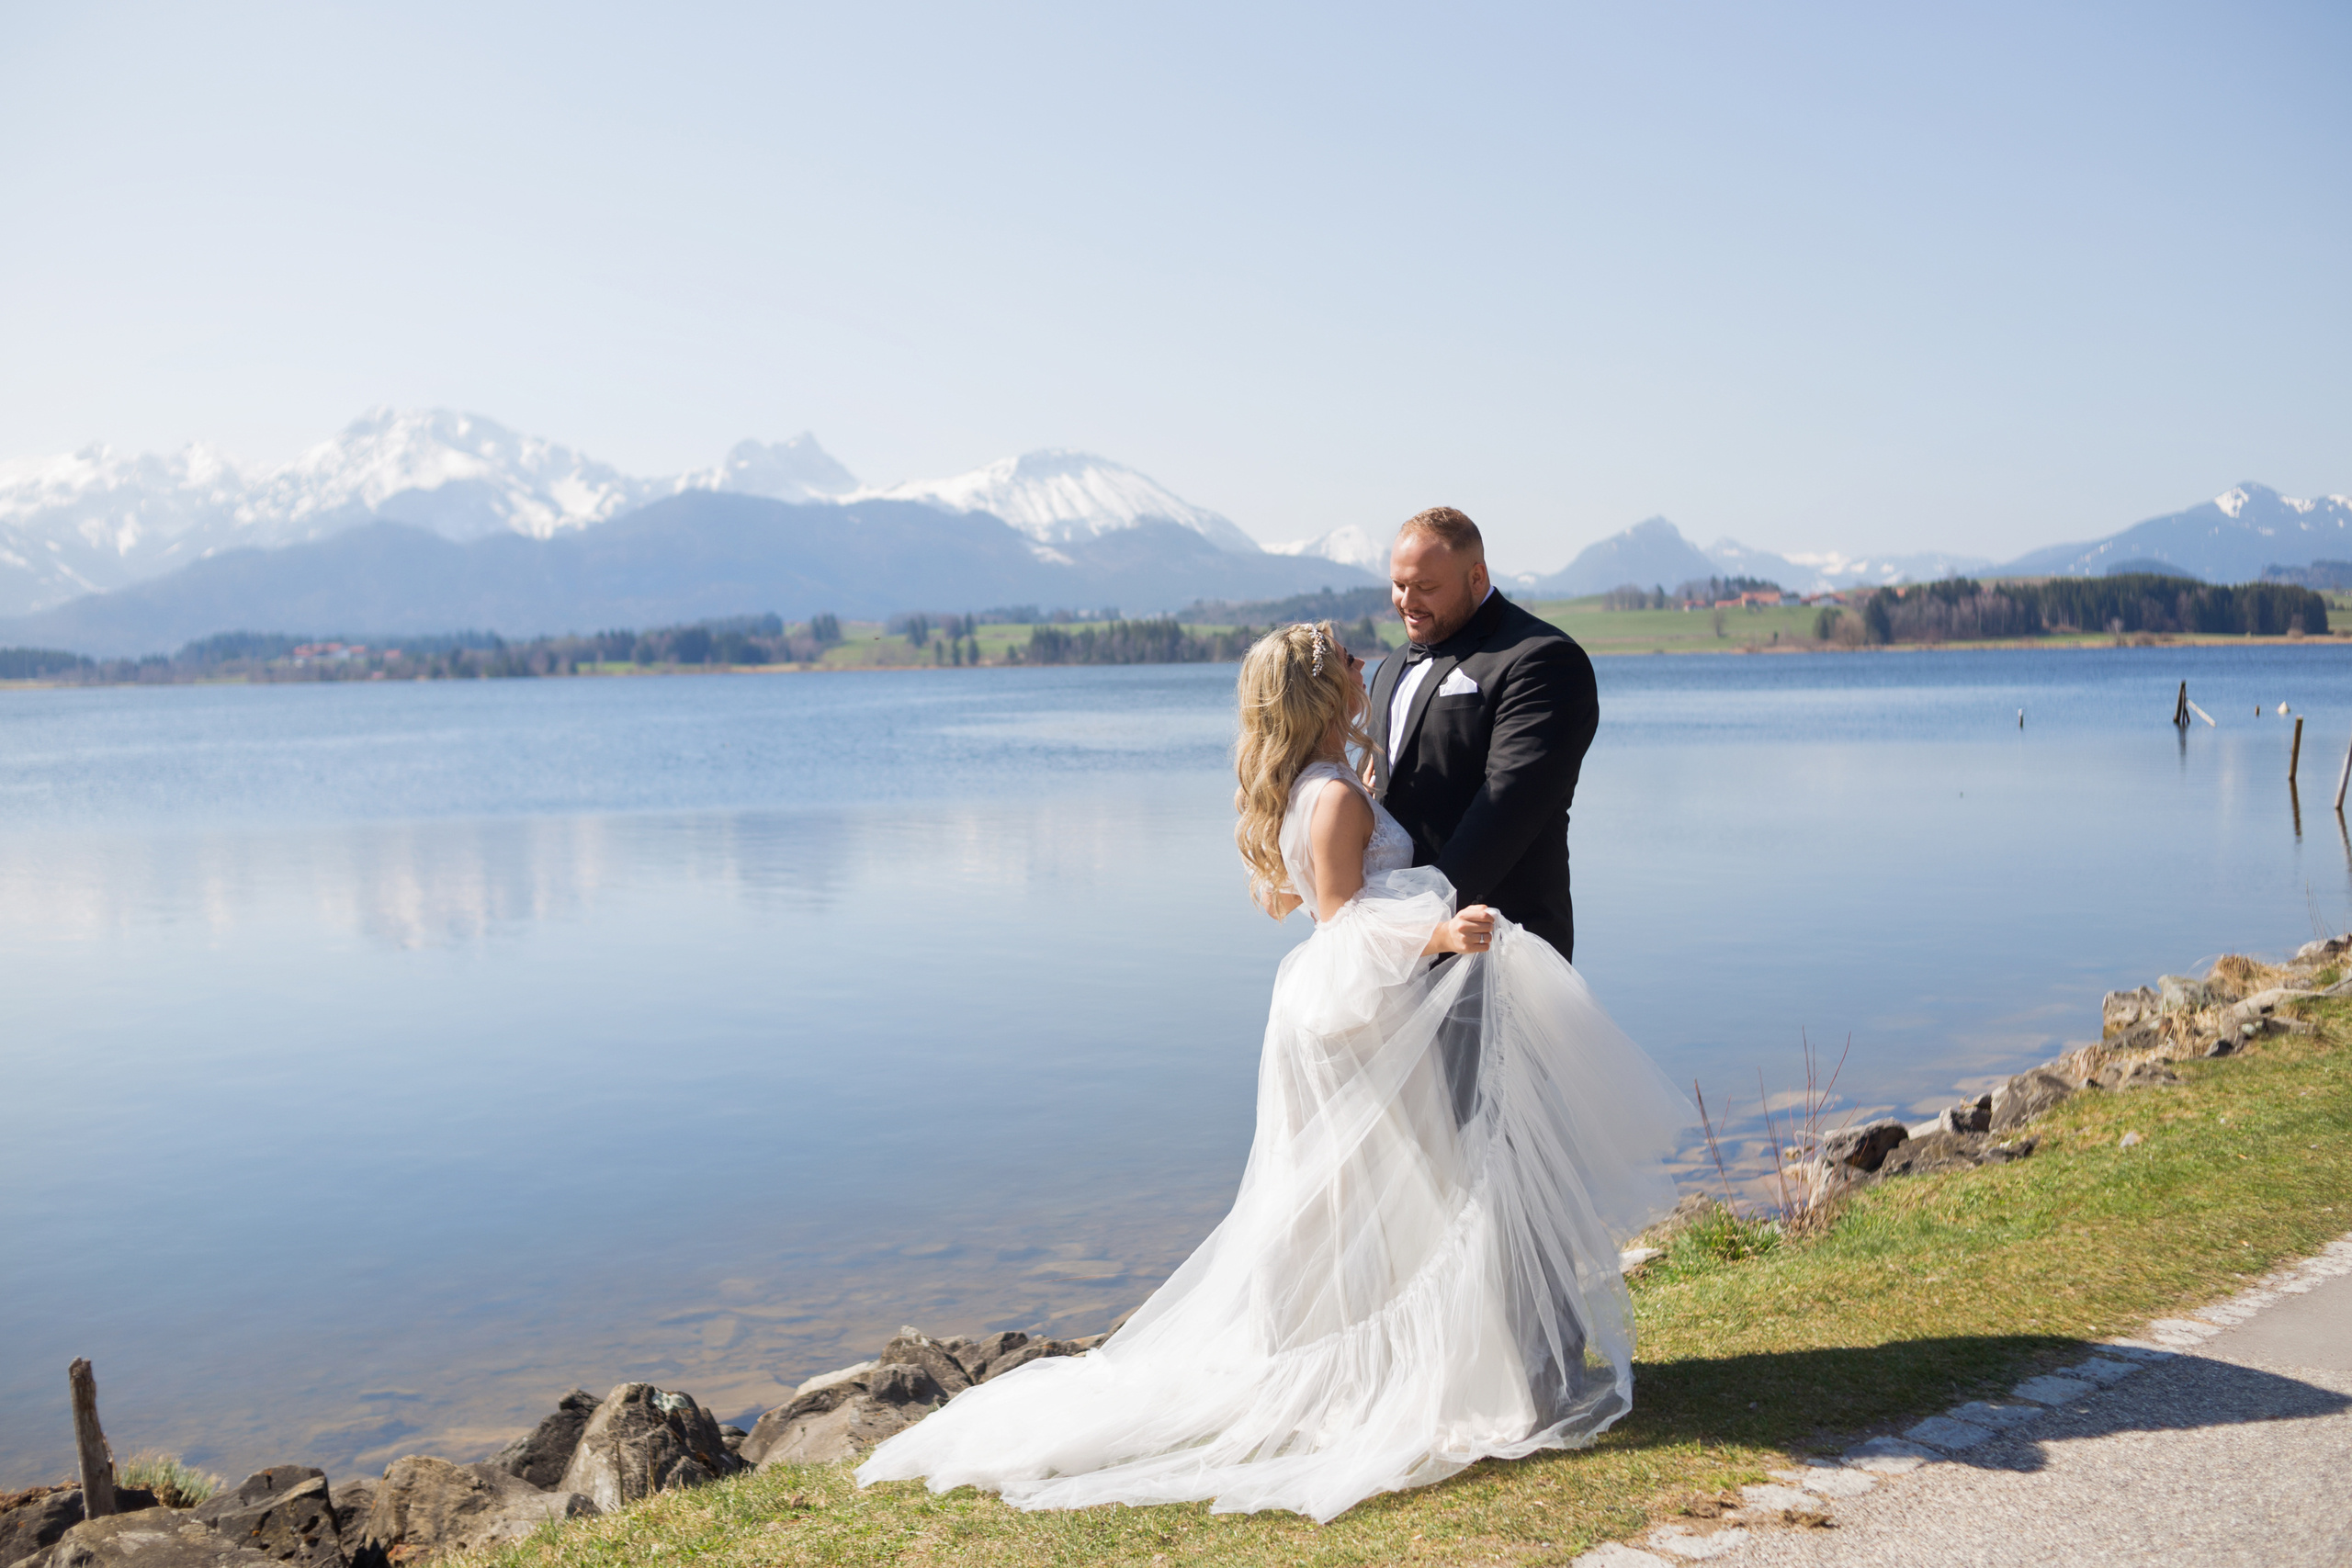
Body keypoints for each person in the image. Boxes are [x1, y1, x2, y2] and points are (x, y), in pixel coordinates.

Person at [855, 603, 1687, 1524]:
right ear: (1324, 689)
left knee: (1388, 1194)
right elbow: (1341, 926)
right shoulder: (1330, 796)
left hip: (1341, 1011)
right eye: (1345, 656)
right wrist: (1438, 932)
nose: (1366, 657)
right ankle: (1395, 1380)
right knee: (1390, 1191)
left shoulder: (1333, 781)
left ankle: (1455, 1364)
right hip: (1349, 1010)